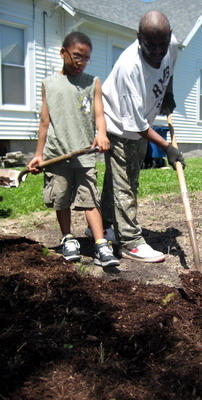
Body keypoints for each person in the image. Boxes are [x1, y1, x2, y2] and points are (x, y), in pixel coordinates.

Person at [99, 11, 185, 263]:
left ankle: (104, 227)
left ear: (169, 36)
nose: (158, 50)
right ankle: (130, 242)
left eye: (162, 43)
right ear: (139, 38)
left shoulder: (172, 44)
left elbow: (168, 70)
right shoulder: (130, 67)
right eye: (150, 45)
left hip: (138, 124)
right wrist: (166, 147)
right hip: (118, 125)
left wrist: (168, 93)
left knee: (117, 181)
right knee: (126, 183)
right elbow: (135, 125)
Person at [28, 31, 119, 268]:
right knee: (61, 200)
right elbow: (45, 122)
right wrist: (38, 154)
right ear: (63, 53)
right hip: (57, 154)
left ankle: (100, 244)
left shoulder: (92, 82)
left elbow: (99, 115)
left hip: (84, 153)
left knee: (90, 200)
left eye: (86, 58)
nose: (81, 62)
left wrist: (101, 133)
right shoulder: (49, 84)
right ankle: (68, 238)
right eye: (77, 56)